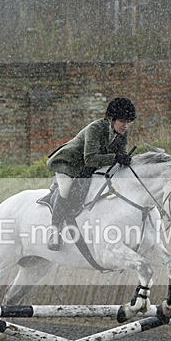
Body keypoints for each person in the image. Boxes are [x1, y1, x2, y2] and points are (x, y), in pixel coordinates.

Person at [45, 97, 136, 251]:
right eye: (122, 121)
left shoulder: (121, 133)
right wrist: (116, 157)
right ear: (112, 119)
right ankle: (54, 230)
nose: (125, 125)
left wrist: (124, 159)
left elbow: (119, 155)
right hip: (69, 164)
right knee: (66, 190)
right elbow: (90, 158)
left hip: (89, 168)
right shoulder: (96, 128)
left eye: (128, 122)